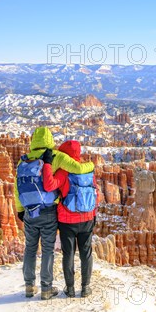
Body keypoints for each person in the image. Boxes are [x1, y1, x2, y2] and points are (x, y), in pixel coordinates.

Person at [14, 127, 94, 300]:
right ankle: (46, 289)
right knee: (48, 249)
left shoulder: (24, 161)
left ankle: (29, 286)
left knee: (30, 248)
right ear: (50, 139)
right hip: (49, 211)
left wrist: (20, 210)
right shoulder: (56, 156)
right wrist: (93, 165)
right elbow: (78, 169)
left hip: (29, 211)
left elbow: (17, 188)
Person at [41, 140, 98, 298]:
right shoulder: (88, 171)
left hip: (67, 220)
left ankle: (70, 289)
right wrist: (93, 215)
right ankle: (86, 287)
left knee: (69, 254)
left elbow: (49, 185)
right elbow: (95, 194)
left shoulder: (64, 171)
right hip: (87, 218)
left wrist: (47, 164)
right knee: (86, 253)